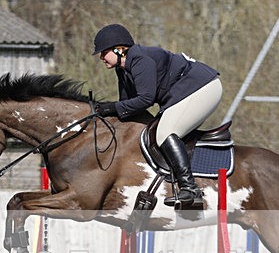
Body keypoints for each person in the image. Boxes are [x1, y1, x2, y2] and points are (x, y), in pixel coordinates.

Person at [92, 24, 222, 206]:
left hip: (203, 88)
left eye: (104, 52)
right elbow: (127, 106)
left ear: (119, 49)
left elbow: (145, 99)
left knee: (165, 133)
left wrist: (112, 107)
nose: (101, 57)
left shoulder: (140, 60)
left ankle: (190, 189)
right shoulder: (122, 69)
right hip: (185, 92)